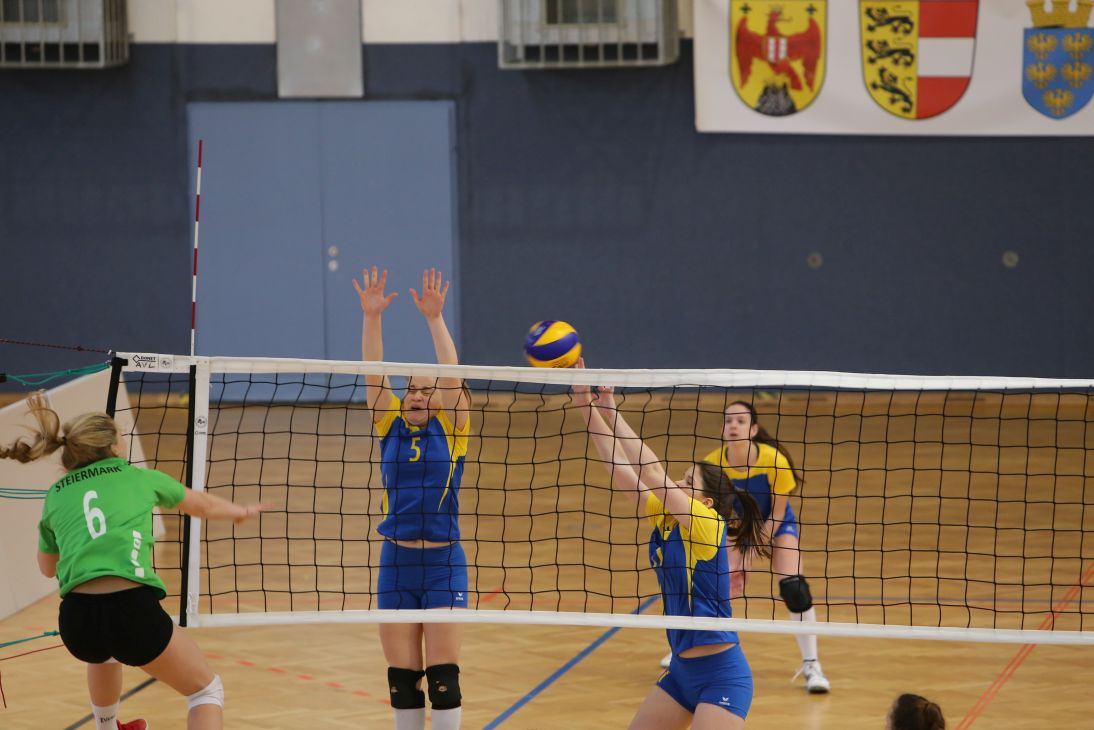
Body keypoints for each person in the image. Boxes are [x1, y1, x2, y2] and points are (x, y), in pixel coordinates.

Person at [2, 392, 268, 730]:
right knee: (205, 691)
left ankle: (107, 726)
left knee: (104, 654)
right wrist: (240, 512)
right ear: (114, 447)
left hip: (77, 623)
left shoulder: (56, 494)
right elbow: (202, 505)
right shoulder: (140, 478)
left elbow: (47, 568)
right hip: (132, 613)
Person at [573, 361, 767, 729]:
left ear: (706, 502)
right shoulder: (665, 518)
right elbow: (618, 465)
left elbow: (651, 472)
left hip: (721, 676)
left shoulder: (707, 524)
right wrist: (584, 402)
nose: (678, 483)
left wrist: (612, 409)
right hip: (680, 673)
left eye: (688, 481)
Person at [353, 267, 470, 730]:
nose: (416, 395)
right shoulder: (389, 425)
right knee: (403, 682)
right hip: (396, 563)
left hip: (443, 563)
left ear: (440, 398)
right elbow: (373, 372)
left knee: (443, 682)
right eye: (411, 389)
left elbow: (453, 377)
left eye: (426, 389)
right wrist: (372, 317)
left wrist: (434, 319)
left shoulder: (454, 429)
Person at [659, 400, 831, 694]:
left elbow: (778, 513)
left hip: (775, 525)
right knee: (711, 583)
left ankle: (811, 663)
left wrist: (752, 549)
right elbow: (714, 511)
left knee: (795, 588)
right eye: (728, 421)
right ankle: (689, 645)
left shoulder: (774, 460)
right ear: (723, 429)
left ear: (753, 429)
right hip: (734, 526)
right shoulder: (713, 463)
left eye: (741, 421)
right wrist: (737, 551)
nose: (733, 426)